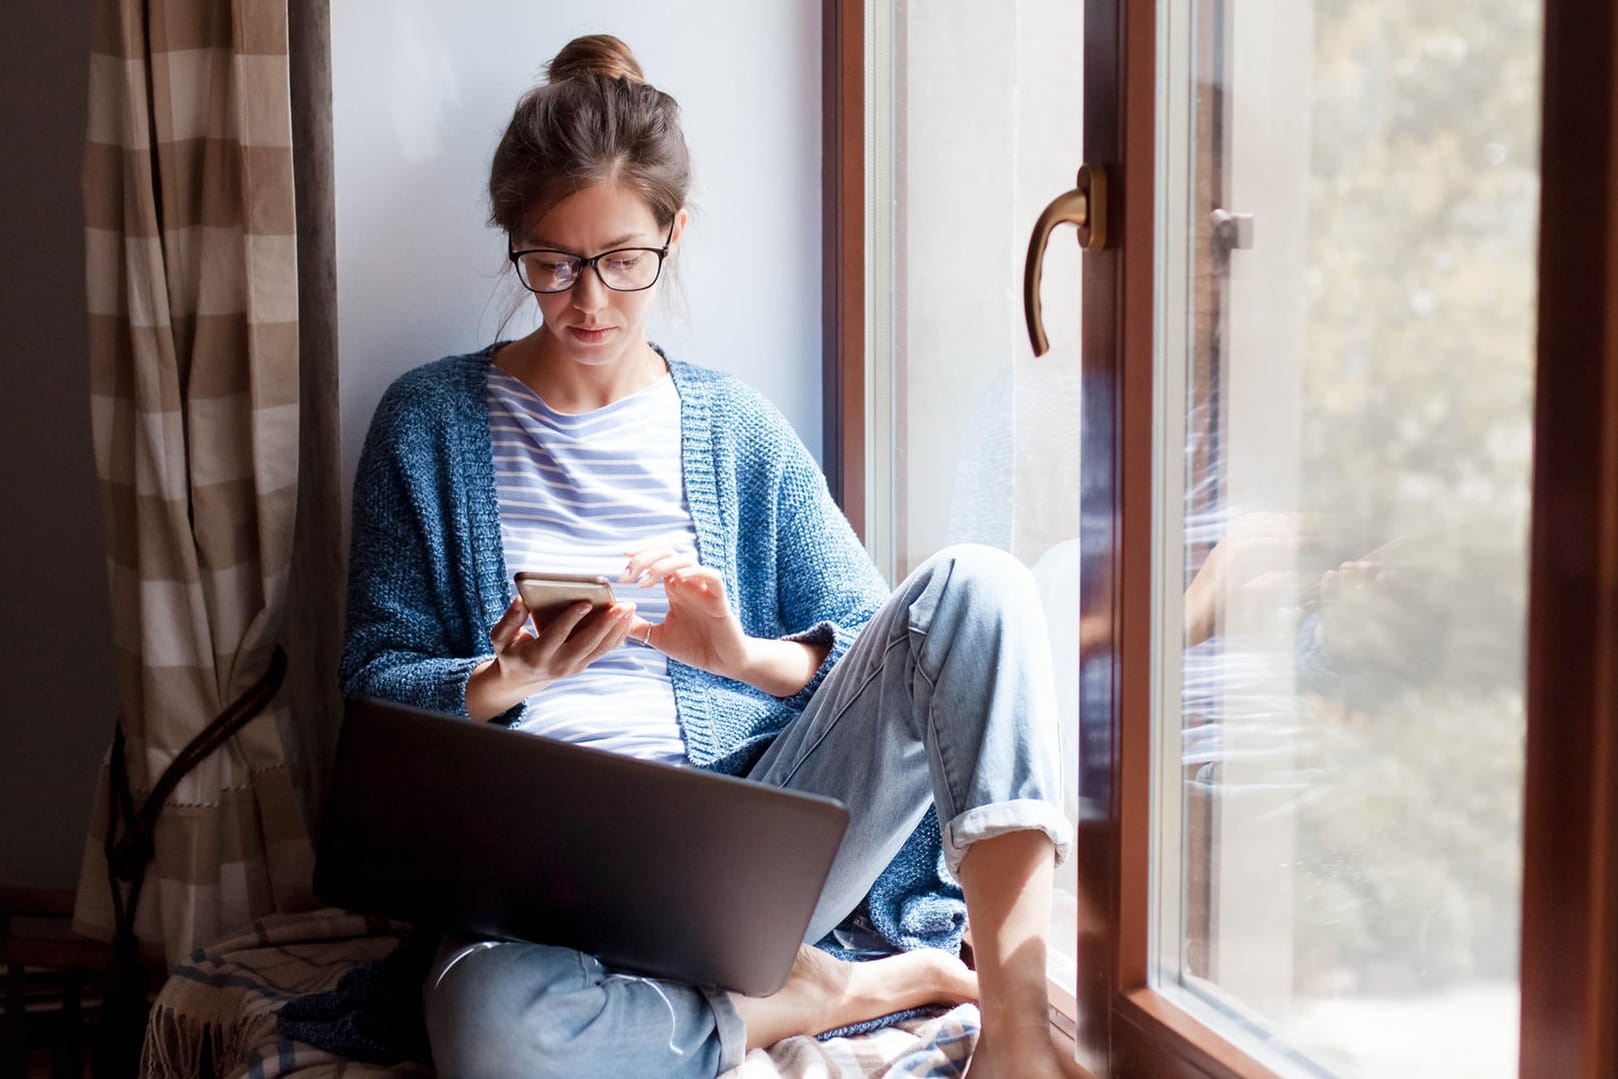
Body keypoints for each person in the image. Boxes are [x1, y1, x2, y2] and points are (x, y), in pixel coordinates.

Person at [340, 33, 1077, 1079]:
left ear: (673, 234)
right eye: (551, 264)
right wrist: (501, 680)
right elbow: (369, 692)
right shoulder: (426, 423)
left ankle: (1014, 1037)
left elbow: (894, 652)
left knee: (982, 587)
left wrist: (739, 654)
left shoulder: (735, 427)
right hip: (533, 890)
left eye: (622, 262)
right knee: (491, 1033)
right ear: (512, 242)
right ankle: (819, 994)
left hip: (746, 853)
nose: (588, 300)